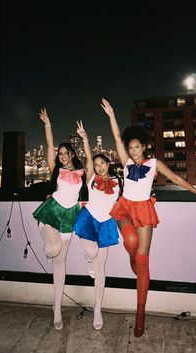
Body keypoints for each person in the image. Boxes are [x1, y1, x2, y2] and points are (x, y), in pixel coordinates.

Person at [101, 98, 196, 338]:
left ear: (144, 146)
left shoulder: (154, 164)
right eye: (130, 148)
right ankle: (131, 256)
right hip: (125, 208)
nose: (132, 151)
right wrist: (111, 114)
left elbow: (177, 179)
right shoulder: (127, 163)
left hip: (144, 210)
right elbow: (117, 139)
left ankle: (140, 312)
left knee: (144, 262)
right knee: (130, 241)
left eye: (136, 147)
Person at [33, 108, 85, 331]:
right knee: (53, 250)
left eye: (66, 152)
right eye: (60, 153)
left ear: (72, 154)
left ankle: (57, 309)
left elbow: (93, 164)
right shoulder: (57, 168)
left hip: (69, 216)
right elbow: (49, 144)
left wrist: (86, 139)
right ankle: (48, 251)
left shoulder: (81, 170)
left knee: (60, 265)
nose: (63, 155)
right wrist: (48, 124)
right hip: (51, 212)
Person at [73, 121, 121, 330]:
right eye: (97, 164)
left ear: (108, 165)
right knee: (91, 254)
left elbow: (122, 204)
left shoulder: (118, 181)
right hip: (89, 219)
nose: (100, 166)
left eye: (103, 163)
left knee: (101, 270)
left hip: (106, 223)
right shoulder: (91, 179)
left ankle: (97, 308)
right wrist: (85, 139)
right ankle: (88, 259)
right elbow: (87, 158)